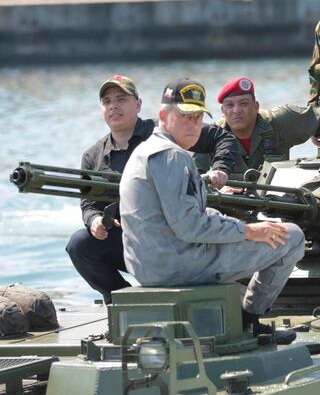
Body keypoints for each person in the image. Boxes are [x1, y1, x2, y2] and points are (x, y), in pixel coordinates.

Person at [119, 78, 304, 342]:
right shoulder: (173, 156)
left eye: (197, 117)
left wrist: (236, 226)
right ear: (163, 116)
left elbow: (188, 215)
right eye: (185, 117)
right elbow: (191, 227)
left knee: (257, 231)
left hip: (149, 265)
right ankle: (249, 321)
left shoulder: (145, 150)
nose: (194, 125)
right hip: (179, 266)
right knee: (292, 236)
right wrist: (249, 231)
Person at [66, 75, 240, 305]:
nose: (113, 106)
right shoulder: (93, 156)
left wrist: (220, 169)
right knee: (80, 244)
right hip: (133, 241)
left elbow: (222, 137)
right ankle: (124, 302)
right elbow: (88, 203)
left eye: (121, 99)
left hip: (176, 234)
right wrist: (95, 219)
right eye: (107, 101)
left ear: (138, 104)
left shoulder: (164, 132)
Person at [194, 76, 320, 177]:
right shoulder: (210, 137)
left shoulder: (279, 122)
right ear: (223, 112)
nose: (236, 110)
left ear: (256, 107)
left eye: (244, 103)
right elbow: (193, 179)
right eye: (230, 105)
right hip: (232, 208)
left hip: (279, 203)